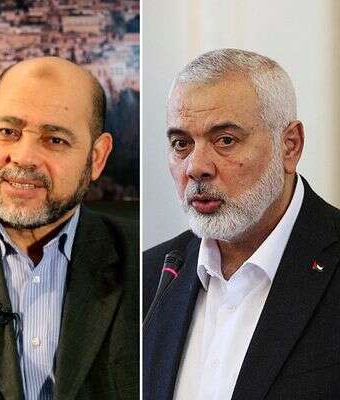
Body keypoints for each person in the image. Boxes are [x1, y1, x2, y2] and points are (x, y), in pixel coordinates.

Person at [144, 48, 340, 400]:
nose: (196, 167)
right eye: (181, 144)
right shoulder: (151, 277)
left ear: (290, 146)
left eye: (225, 141)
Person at [0, 57, 139, 399]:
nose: (23, 157)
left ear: (97, 157)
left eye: (55, 140)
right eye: (8, 132)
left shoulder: (149, 266)